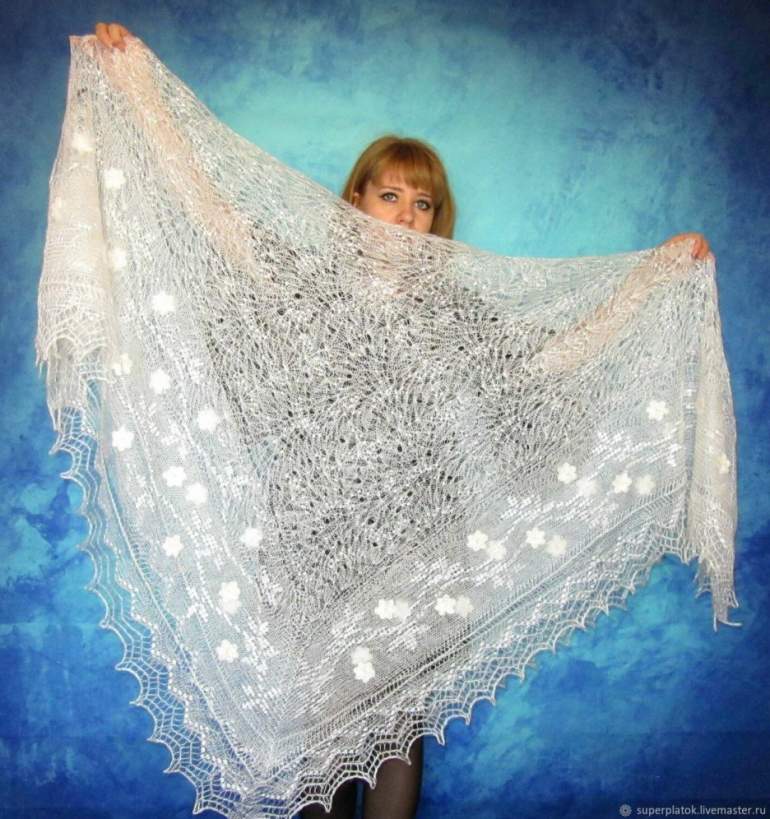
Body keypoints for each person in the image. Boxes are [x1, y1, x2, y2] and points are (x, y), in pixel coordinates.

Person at [89, 21, 715, 819]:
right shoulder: (301, 279)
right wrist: (139, 88)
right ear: (356, 198)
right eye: (390, 195)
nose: (408, 215)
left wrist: (652, 279)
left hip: (420, 543)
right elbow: (210, 212)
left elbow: (550, 358)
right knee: (319, 737)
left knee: (396, 732)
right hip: (313, 542)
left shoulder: (452, 307)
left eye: (424, 203)